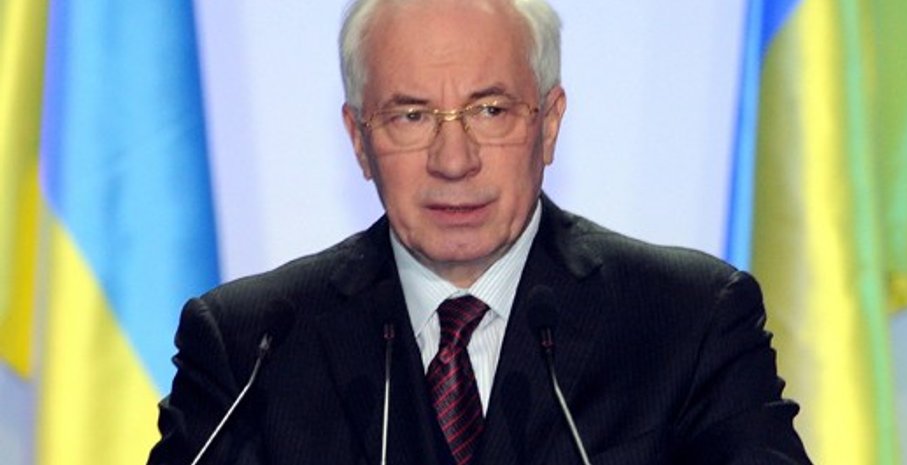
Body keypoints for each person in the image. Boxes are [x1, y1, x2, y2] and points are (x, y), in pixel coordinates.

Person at [147, 0, 812, 464]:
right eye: (410, 116)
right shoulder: (252, 347)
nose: (453, 160)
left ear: (549, 124)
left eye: (490, 110)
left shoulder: (687, 320)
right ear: (358, 139)